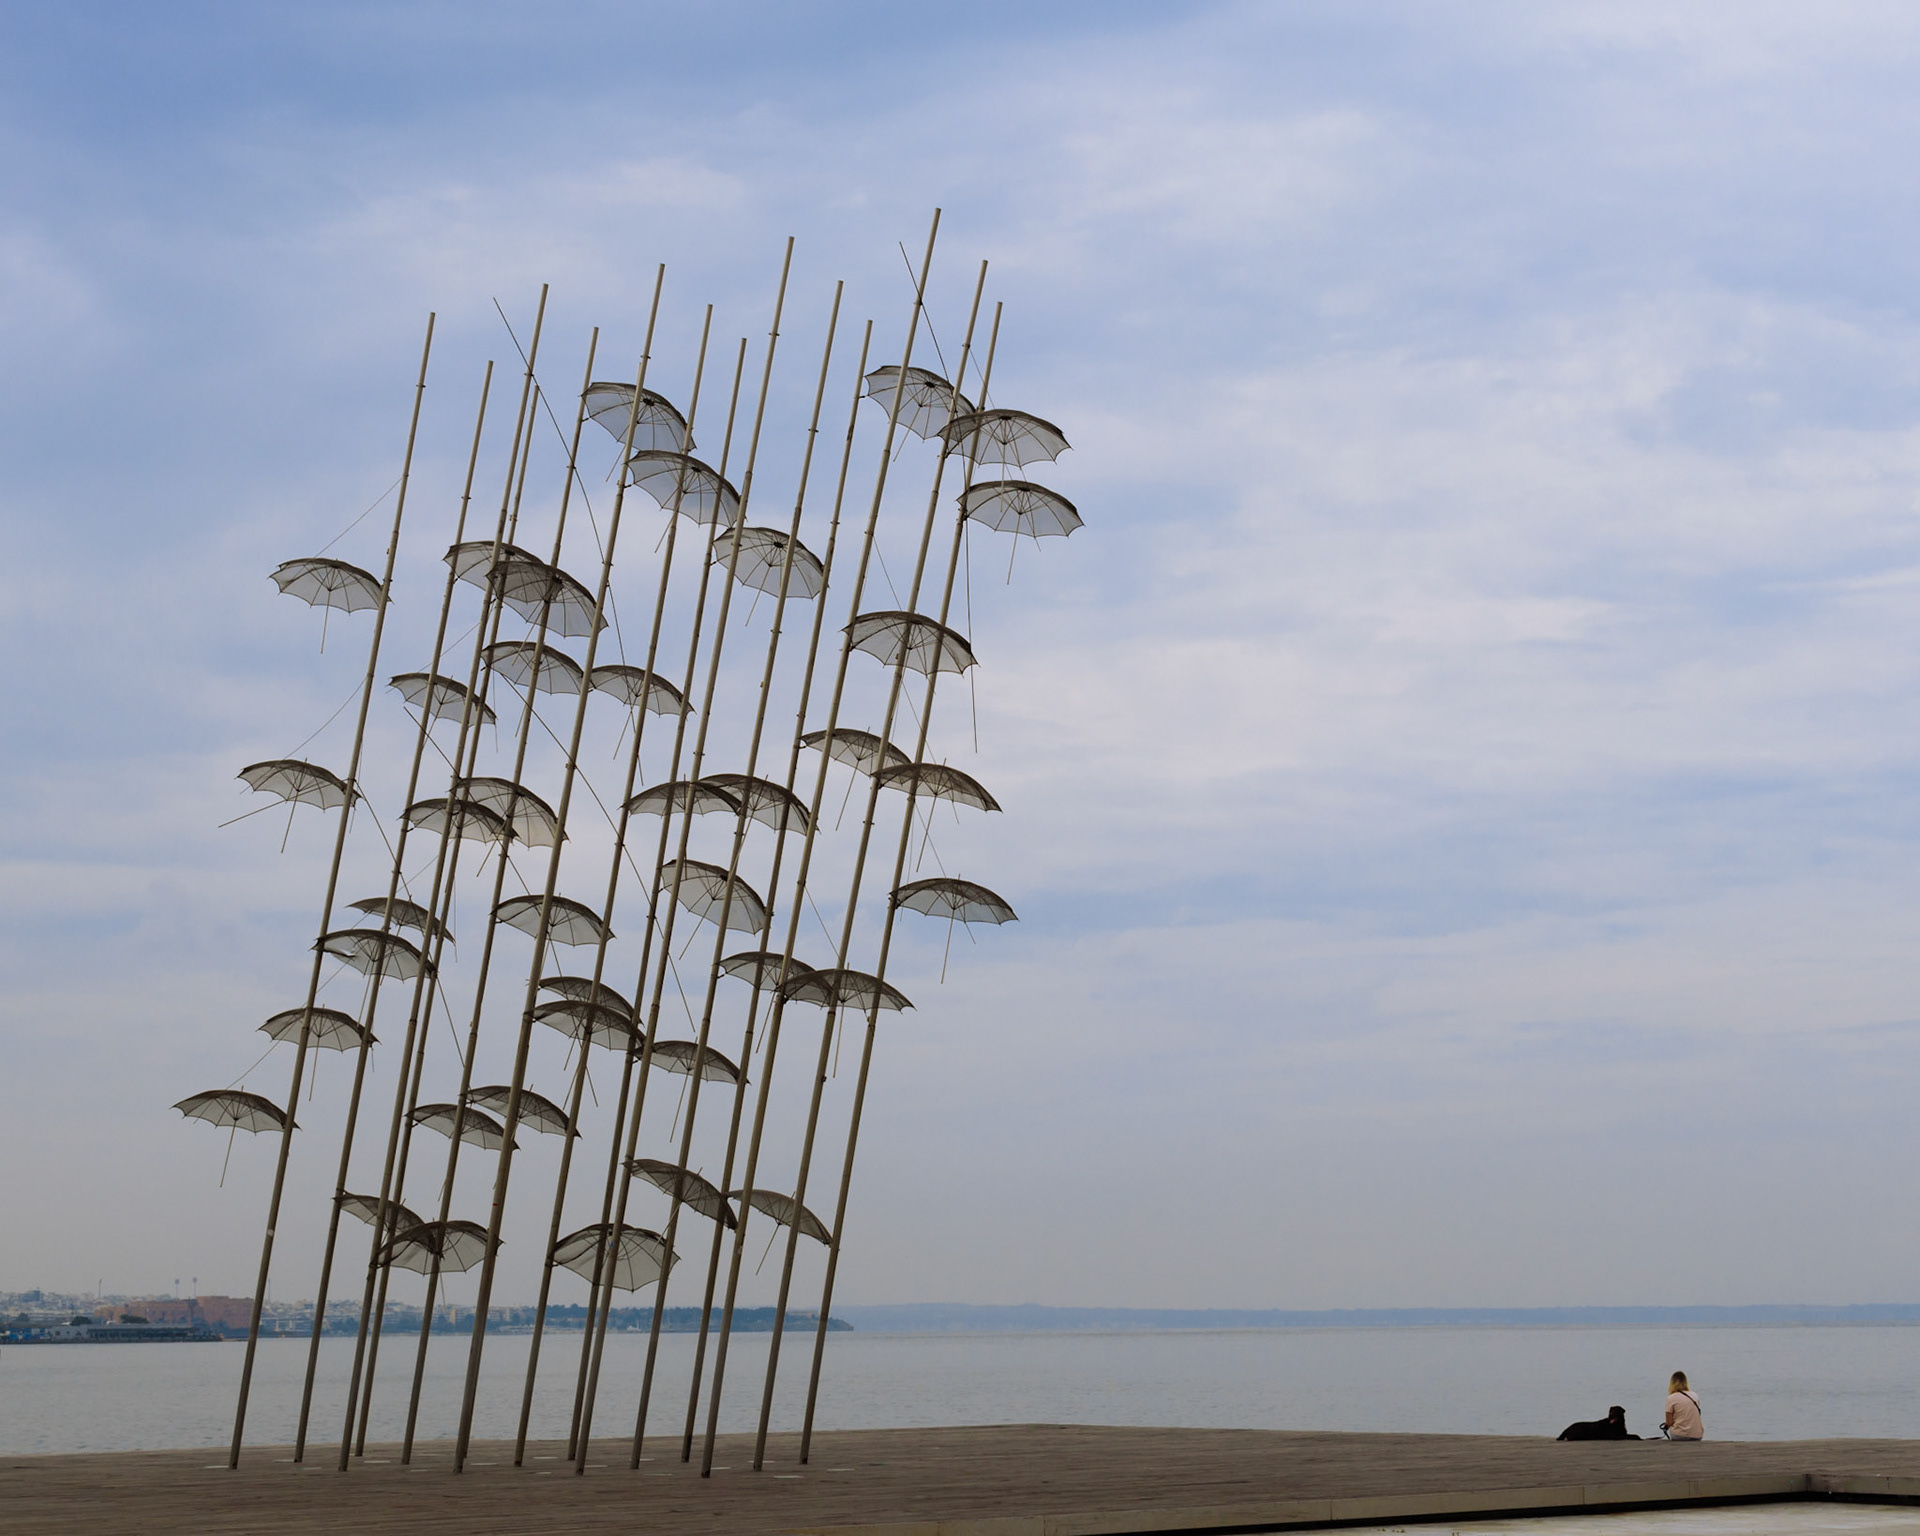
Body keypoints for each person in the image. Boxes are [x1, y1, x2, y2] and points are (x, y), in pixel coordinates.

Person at [1556, 1405, 1639, 1440]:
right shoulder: (1607, 1425)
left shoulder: (1617, 1425)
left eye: (1614, 1413)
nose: (1611, 1415)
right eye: (1611, 1413)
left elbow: (1621, 1435)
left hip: (1574, 1431)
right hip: (1577, 1432)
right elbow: (1616, 1437)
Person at [1662, 1371, 1703, 1440]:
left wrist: (1666, 1425)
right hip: (1697, 1435)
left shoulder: (1671, 1398)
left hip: (1680, 1435)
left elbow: (1669, 1422)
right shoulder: (1694, 1395)